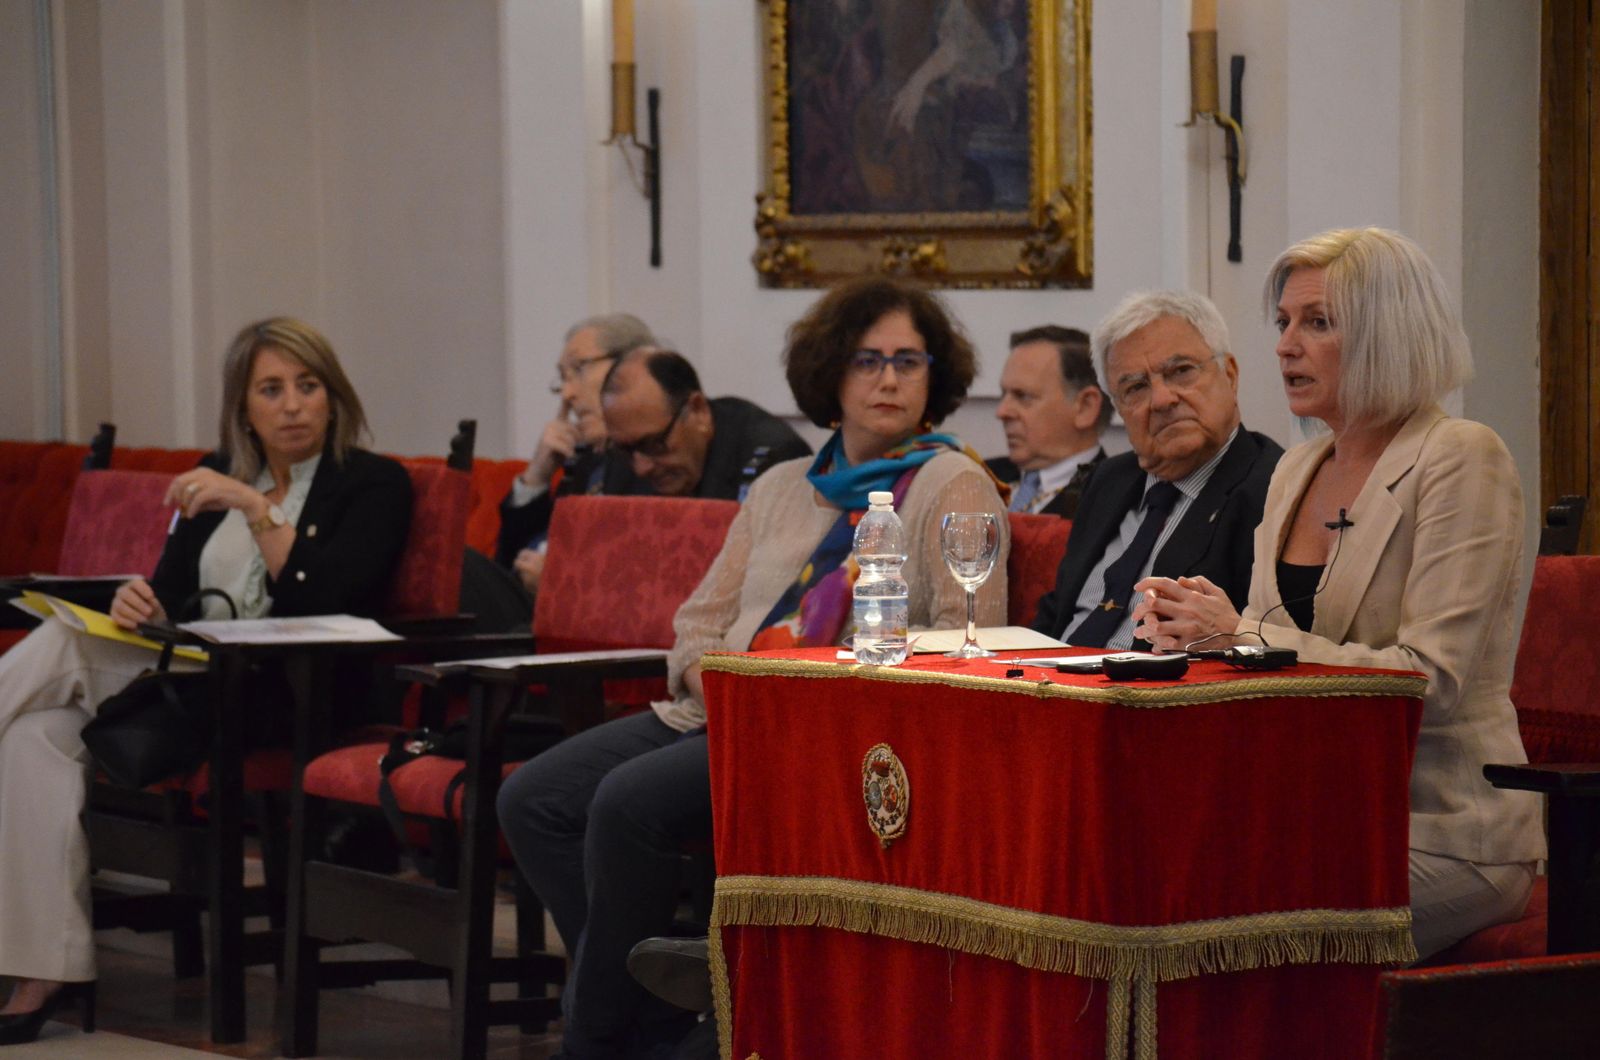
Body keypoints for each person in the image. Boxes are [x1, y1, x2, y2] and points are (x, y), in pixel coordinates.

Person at [496, 275, 1009, 1058]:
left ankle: (596, 1037)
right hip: (715, 710)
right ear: (830, 375)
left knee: (625, 803)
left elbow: (969, 637)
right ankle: (657, 1006)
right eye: (868, 360)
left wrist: (775, 699)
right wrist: (718, 683)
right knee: (534, 799)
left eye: (910, 361)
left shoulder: (952, 482)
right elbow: (698, 624)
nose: (890, 379)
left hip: (822, 734)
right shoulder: (783, 487)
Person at [1131, 228, 1544, 958]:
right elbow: (1258, 652)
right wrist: (1192, 637)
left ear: (1388, 334)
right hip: (1312, 813)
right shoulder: (1296, 468)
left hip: (1443, 833)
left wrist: (1243, 637)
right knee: (1139, 880)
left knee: (1213, 923)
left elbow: (1432, 681)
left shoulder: (1460, 456)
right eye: (1283, 322)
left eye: (1318, 323)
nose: (1287, 345)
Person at [0, 317, 413, 1044]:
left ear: (333, 396)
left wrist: (256, 509)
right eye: (271, 389)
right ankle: (44, 971)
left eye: (307, 387)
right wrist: (142, 604)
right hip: (188, 680)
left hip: (286, 694)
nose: (292, 405)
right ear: (243, 405)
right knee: (35, 738)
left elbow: (324, 603)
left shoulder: (372, 484)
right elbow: (172, 598)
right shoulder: (219, 470)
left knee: (63, 641)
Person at [1029, 291, 1283, 648]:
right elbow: (1058, 614)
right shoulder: (1109, 480)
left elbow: (1274, 645)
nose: (1162, 400)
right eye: (1136, 387)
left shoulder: (1273, 488)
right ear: (1118, 407)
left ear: (1230, 374)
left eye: (1180, 372)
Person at [495, 313, 656, 593]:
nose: (567, 393)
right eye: (562, 378)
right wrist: (536, 476)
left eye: (578, 370)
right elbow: (506, 570)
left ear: (633, 364)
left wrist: (560, 582)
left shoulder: (655, 458)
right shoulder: (586, 460)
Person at [599, 347, 813, 499]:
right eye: (627, 450)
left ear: (698, 411)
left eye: (654, 444)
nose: (641, 468)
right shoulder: (623, 455)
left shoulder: (774, 460)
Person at [989, 324, 1109, 517]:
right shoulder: (978, 476)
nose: (1002, 412)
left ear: (1085, 407)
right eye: (1004, 394)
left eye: (1022, 396)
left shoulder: (1113, 500)